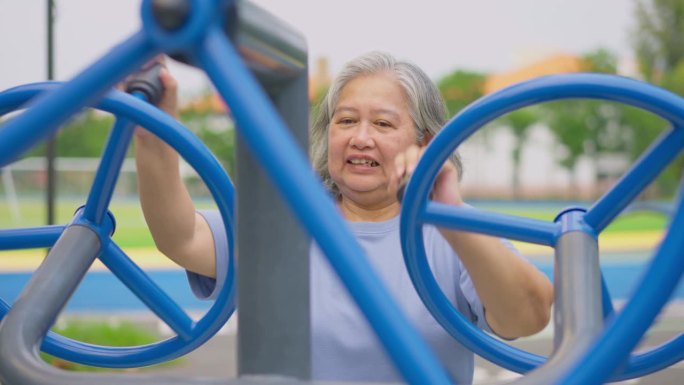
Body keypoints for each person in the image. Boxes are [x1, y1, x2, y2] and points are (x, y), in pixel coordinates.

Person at [134, 52, 554, 384]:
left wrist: (449, 215)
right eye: (347, 120)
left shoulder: (454, 229)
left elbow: (528, 316)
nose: (361, 137)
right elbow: (182, 237)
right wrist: (154, 134)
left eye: (384, 123)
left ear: (425, 142)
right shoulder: (286, 218)